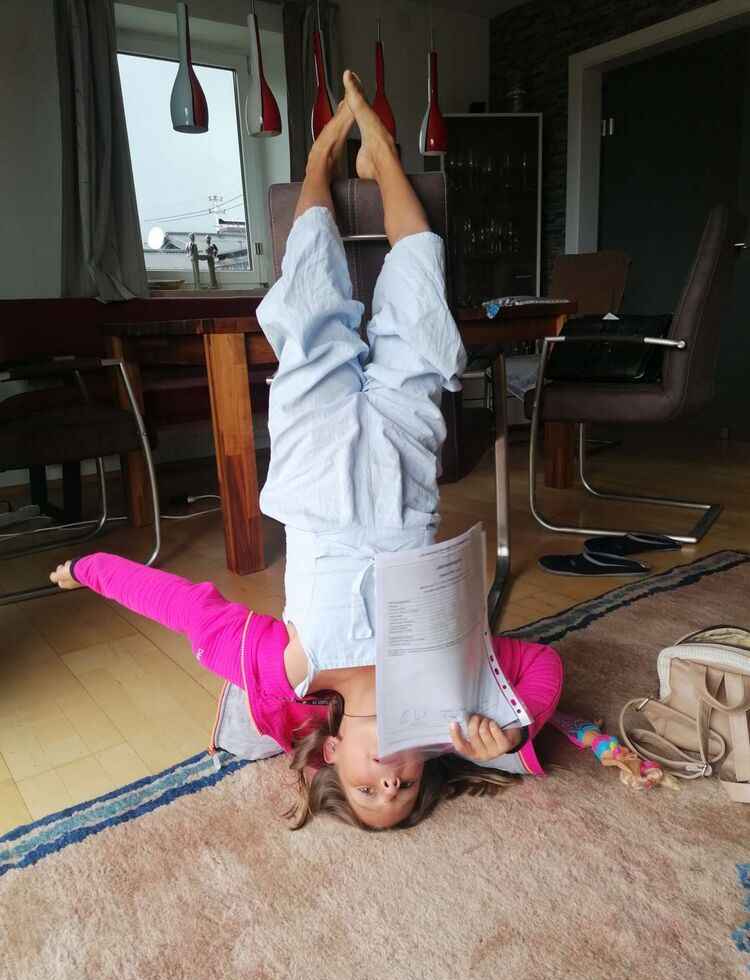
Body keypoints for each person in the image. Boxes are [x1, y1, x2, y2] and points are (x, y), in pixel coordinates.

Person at [51, 71, 562, 831]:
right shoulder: (454, 698)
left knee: (310, 306)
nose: (388, 783)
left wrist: (90, 568)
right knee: (425, 319)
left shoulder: (285, 677)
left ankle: (320, 162)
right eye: (405, 792)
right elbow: (546, 667)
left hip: (314, 453)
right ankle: (383, 157)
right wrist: (514, 734)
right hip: (403, 466)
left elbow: (185, 609)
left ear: (331, 755)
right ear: (424, 768)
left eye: (367, 792)